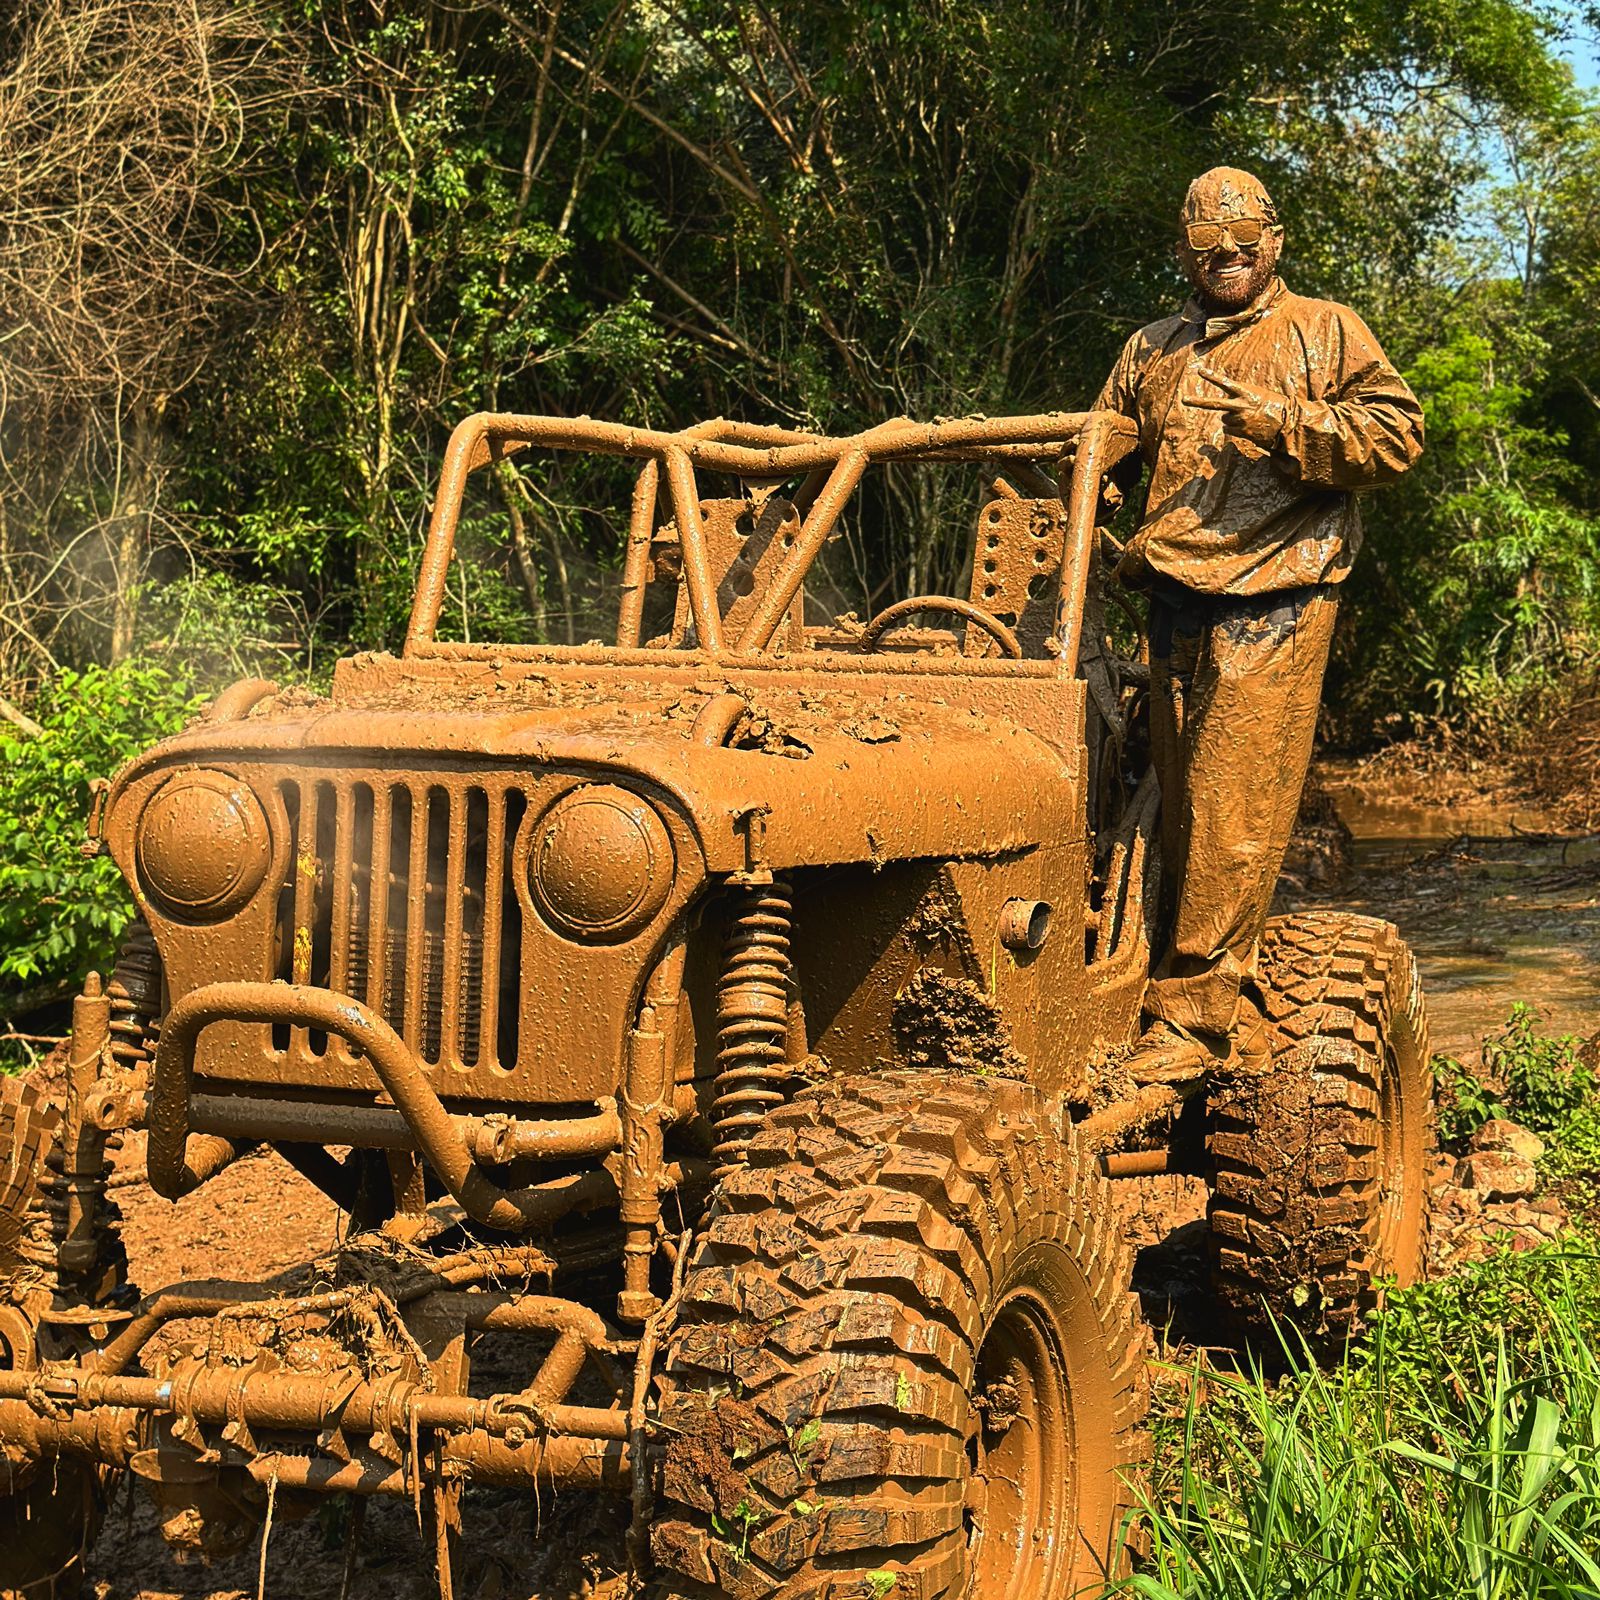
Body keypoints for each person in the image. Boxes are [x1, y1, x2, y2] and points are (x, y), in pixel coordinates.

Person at [1095, 165, 1424, 1070]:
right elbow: (1099, 455)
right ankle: (1133, 981)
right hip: (1170, 596)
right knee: (1173, 799)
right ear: (1183, 253)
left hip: (1278, 593)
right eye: (1209, 247)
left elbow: (1397, 437)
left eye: (1245, 244)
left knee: (1233, 807)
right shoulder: (1152, 348)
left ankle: (1195, 1018)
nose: (1229, 259)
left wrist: (1288, 422)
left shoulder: (1323, 329)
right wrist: (1079, 485)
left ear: (1275, 240)